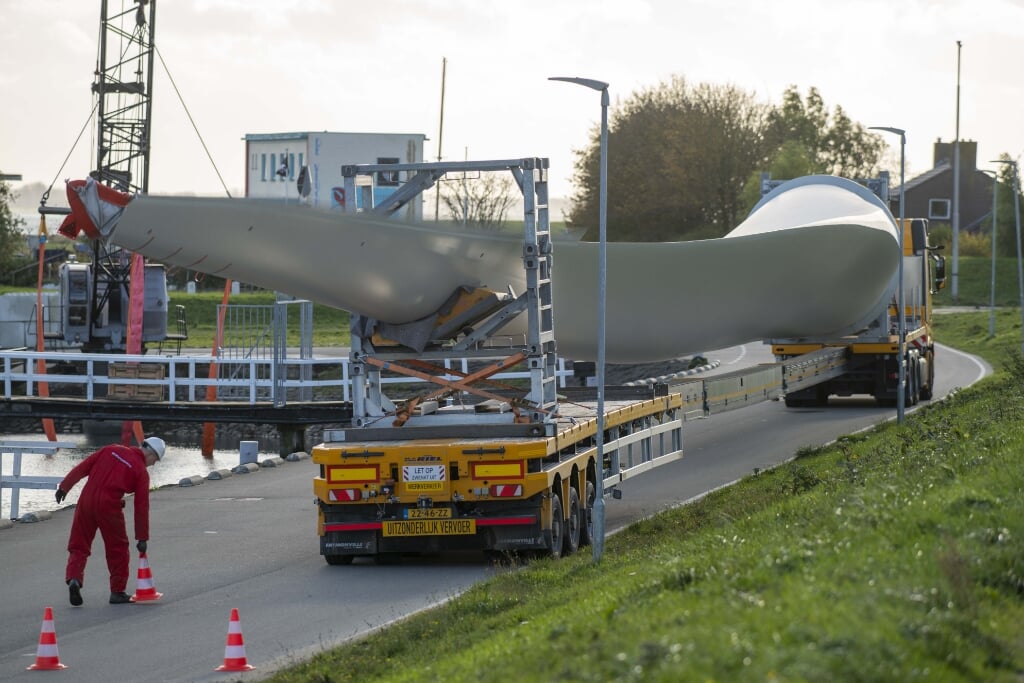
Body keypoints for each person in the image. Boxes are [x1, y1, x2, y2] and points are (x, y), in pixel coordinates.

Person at [55, 436, 166, 606]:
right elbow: (141, 507)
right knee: (118, 549)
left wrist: (64, 486)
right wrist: (142, 537)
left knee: (79, 545)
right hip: (109, 507)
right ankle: (117, 591)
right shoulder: (141, 472)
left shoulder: (111, 449)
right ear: (151, 455)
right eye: (155, 461)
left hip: (86, 500)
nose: (153, 464)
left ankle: (74, 580)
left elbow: (83, 467)